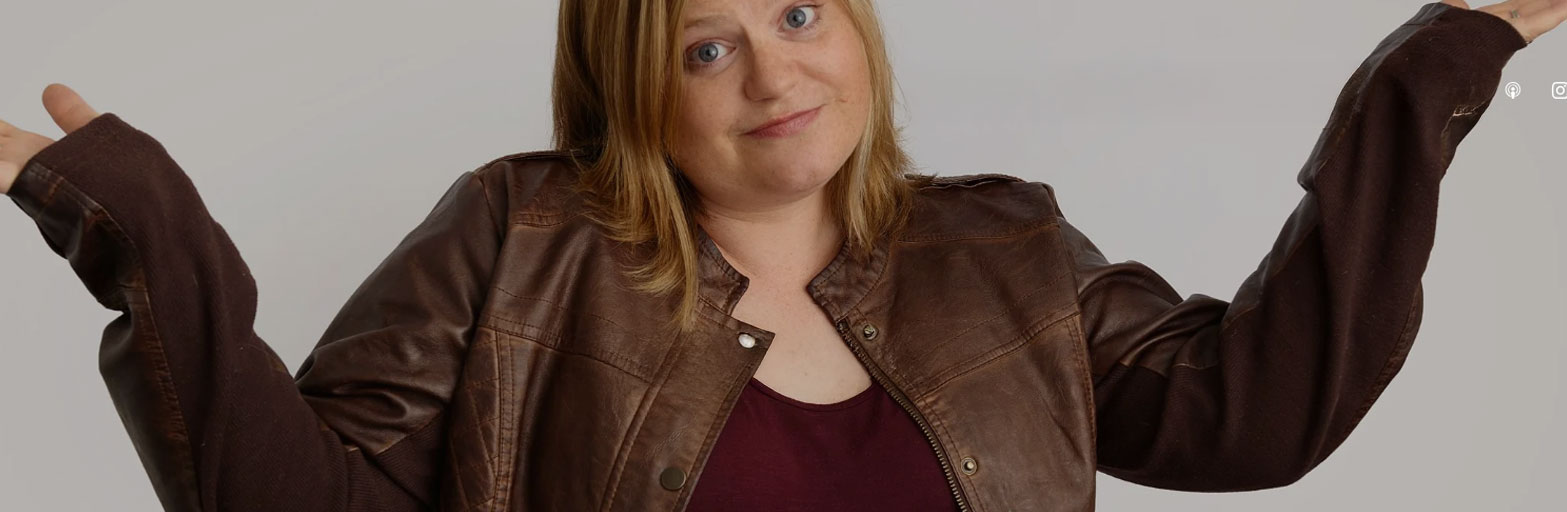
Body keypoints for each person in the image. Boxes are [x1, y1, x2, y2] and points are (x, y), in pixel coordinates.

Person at [1, 0, 1561, 510]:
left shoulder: (1005, 247)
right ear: (635, 87)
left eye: (802, 11)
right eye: (707, 45)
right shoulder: (517, 234)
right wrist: (154, 248)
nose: (774, 72)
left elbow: (1255, 416)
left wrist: (1423, 82)